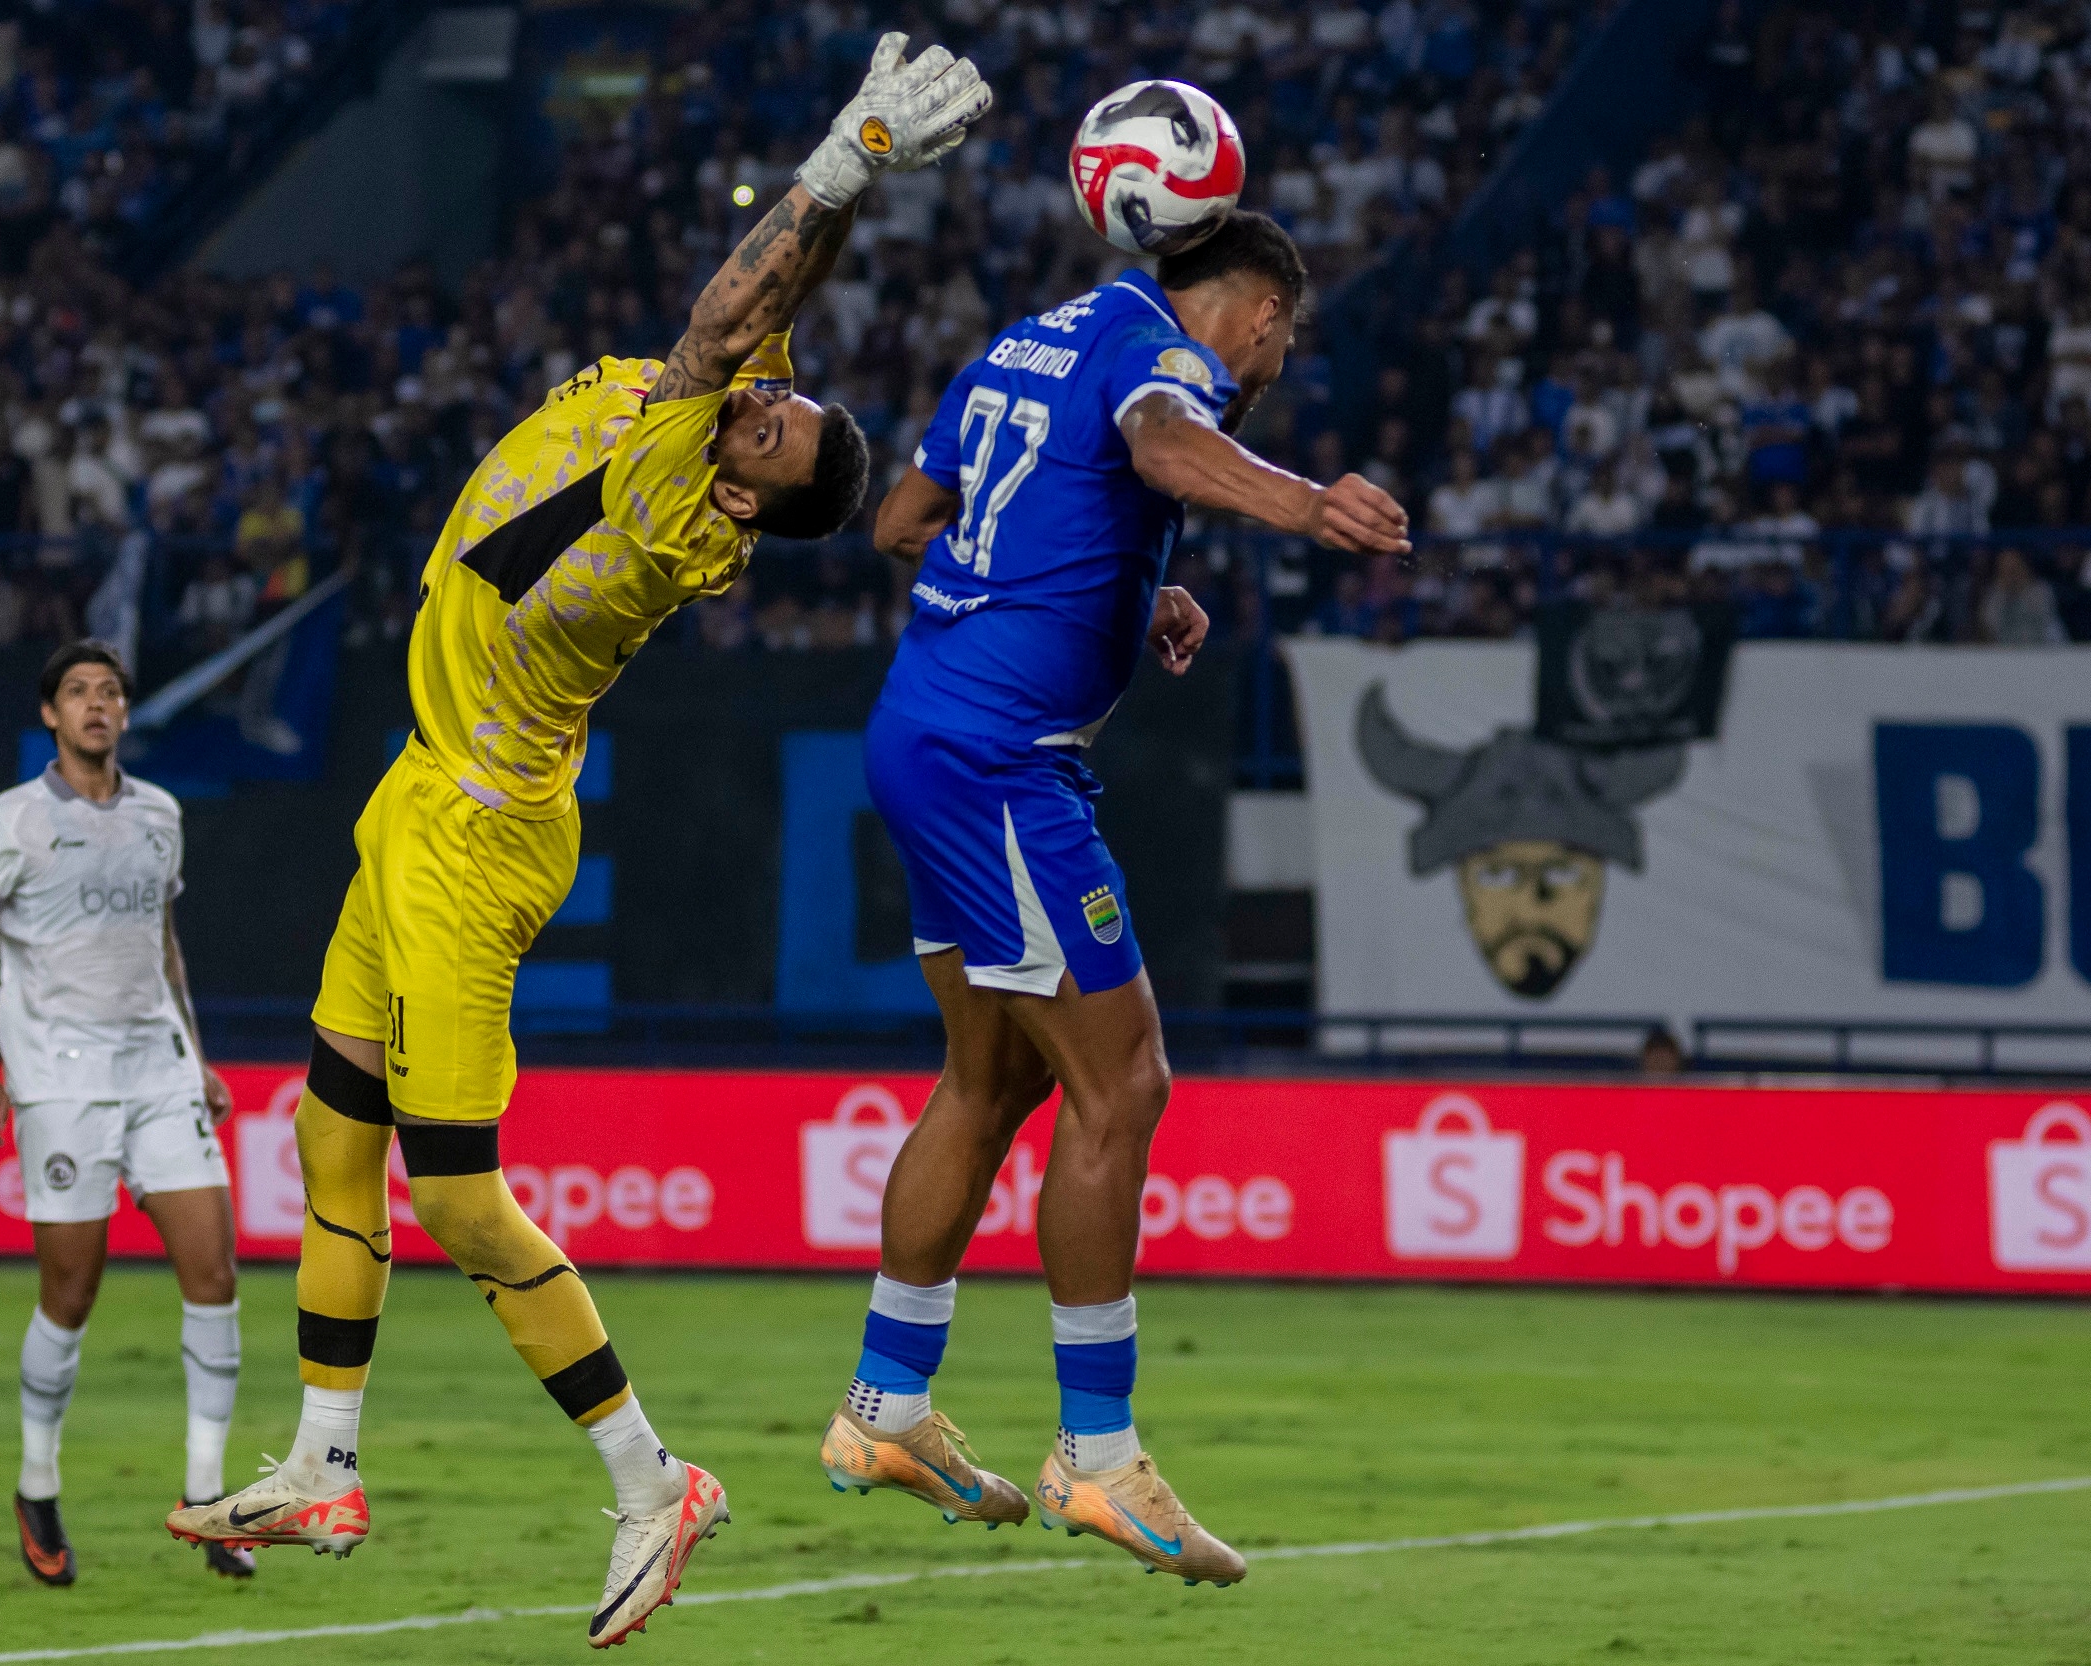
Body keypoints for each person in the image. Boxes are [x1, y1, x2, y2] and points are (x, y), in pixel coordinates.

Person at [163, 34, 991, 1649]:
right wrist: (854, 178)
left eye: (775, 429)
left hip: (475, 837)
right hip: (420, 793)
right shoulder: (718, 423)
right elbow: (761, 307)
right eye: (778, 395)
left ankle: (649, 1477)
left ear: (745, 501)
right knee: (335, 1136)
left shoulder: (680, 496)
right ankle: (326, 1458)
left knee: (462, 1197)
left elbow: (723, 319)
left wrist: (846, 153)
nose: (765, 402)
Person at [823, 209, 1408, 1586]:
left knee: (990, 1083)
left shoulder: (1028, 341)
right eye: (1278, 337)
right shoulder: (1164, 356)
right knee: (1123, 1083)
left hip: (923, 729)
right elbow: (1155, 442)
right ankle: (1098, 1453)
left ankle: (886, 1406)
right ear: (1256, 309)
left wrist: (1113, 589)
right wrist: (1306, 501)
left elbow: (903, 521)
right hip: (1007, 764)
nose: (1269, 363)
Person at [0, 640, 246, 1587]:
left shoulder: (160, 815)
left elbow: (166, 946)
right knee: (71, 1292)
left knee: (216, 1272)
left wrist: (195, 1059)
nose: (97, 705)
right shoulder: (16, 818)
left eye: (109, 692)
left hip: (157, 1068)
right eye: (78, 693)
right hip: (61, 1077)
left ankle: (207, 1497)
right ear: (50, 717)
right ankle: (36, 1482)